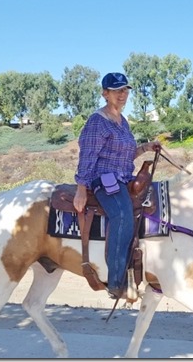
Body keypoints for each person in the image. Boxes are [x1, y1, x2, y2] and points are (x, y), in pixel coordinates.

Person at [73, 72, 160, 299]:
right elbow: (88, 156)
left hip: (123, 177)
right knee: (122, 216)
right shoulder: (97, 121)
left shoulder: (123, 121)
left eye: (125, 90)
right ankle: (116, 281)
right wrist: (81, 188)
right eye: (117, 90)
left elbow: (127, 154)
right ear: (105, 93)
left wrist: (147, 147)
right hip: (103, 178)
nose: (122, 95)